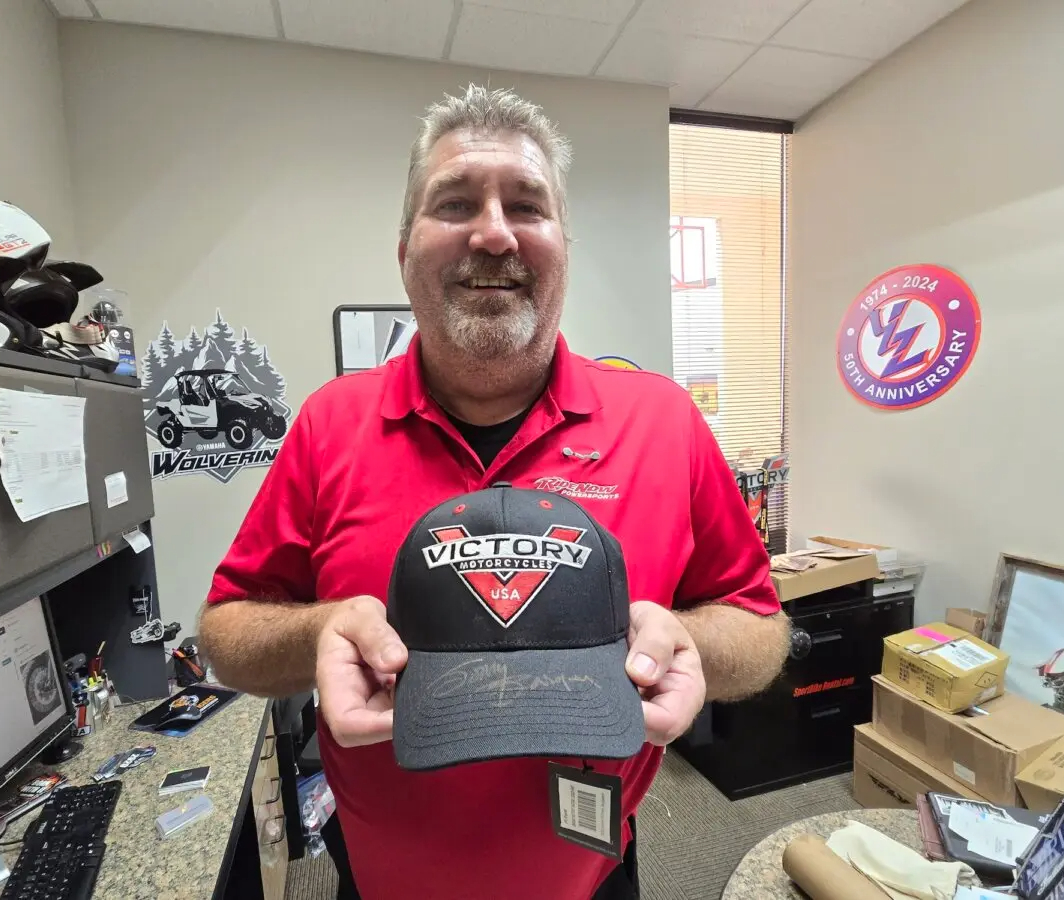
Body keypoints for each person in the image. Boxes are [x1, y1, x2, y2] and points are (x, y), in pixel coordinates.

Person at [200, 84, 790, 900]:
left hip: (594, 875)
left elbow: (761, 628)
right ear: (403, 249)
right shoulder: (328, 424)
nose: (493, 231)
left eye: (527, 204)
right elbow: (225, 633)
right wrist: (323, 632)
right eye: (453, 203)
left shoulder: (666, 422)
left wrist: (693, 645)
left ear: (564, 246)